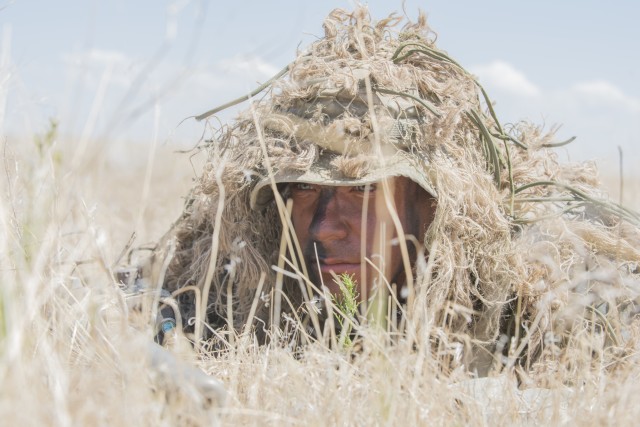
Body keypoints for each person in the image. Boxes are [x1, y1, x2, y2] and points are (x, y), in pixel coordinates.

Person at [131, 7, 640, 376]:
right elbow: (134, 300)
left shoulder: (531, 280)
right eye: (305, 190)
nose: (325, 226)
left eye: (365, 190)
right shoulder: (254, 268)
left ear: (432, 203)